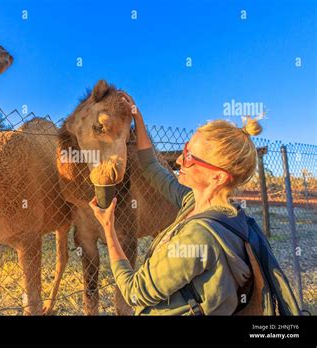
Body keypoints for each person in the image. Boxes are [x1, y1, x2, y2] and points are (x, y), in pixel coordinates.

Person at [89, 96, 263, 315]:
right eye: (186, 148)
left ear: (218, 177)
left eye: (190, 157)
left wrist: (108, 229)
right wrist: (137, 118)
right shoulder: (207, 206)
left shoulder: (199, 237)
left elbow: (135, 291)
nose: (180, 159)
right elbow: (151, 166)